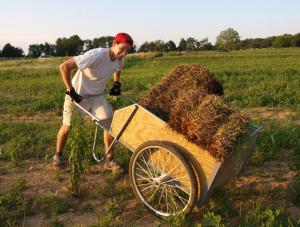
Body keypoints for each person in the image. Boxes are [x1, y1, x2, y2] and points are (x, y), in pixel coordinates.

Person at [53, 32, 133, 173]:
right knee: (67, 126)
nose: (124, 53)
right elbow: (64, 67)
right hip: (77, 96)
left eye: (127, 50)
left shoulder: (120, 59)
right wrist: (71, 90)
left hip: (97, 97)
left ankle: (109, 160)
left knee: (109, 125)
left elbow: (117, 69)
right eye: (122, 49)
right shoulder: (96, 55)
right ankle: (58, 155)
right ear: (114, 44)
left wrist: (116, 83)